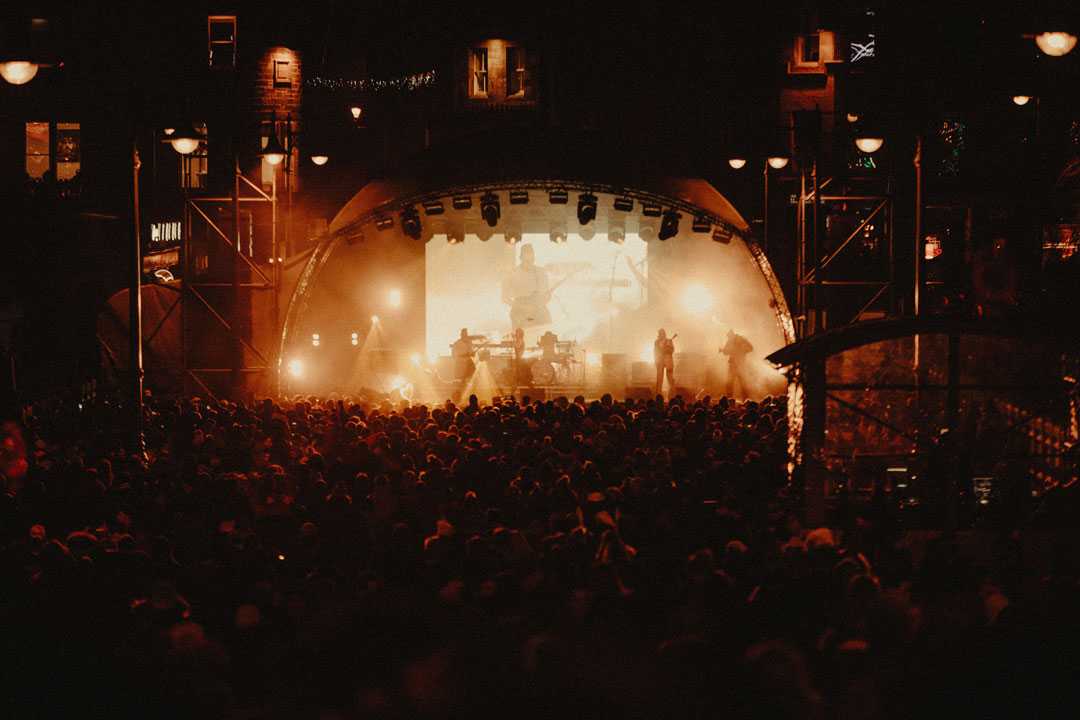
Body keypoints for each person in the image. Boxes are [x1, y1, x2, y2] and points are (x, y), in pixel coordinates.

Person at [501, 243, 551, 329]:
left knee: (547, 332)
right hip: (520, 313)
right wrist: (522, 307)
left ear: (534, 258)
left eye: (531, 260)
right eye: (527, 260)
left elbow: (547, 295)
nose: (529, 263)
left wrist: (541, 303)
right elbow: (504, 298)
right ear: (521, 258)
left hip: (539, 311)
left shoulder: (541, 272)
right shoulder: (512, 273)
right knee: (522, 338)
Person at [720, 329, 753, 399]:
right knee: (730, 382)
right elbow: (726, 351)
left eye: (729, 336)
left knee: (742, 382)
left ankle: (746, 400)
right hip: (733, 364)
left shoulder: (741, 339)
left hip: (740, 364)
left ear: (732, 335)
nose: (728, 338)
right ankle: (730, 399)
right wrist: (723, 350)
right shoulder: (730, 341)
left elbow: (751, 348)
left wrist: (741, 351)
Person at [654, 328, 676, 395]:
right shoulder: (656, 342)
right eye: (660, 333)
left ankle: (672, 394)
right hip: (659, 361)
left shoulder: (669, 341)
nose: (661, 335)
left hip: (668, 361)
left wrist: (666, 349)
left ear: (664, 334)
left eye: (662, 333)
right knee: (659, 379)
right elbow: (655, 352)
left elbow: (672, 350)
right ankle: (658, 394)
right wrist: (656, 361)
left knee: (670, 378)